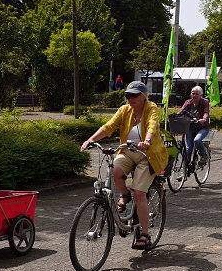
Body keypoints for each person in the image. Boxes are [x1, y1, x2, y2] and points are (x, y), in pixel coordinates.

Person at [80, 81, 167, 250]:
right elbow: (108, 127)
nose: (130, 98)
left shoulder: (151, 108)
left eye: (134, 95)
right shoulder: (124, 110)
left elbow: (153, 125)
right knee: (115, 170)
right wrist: (90, 140)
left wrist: (147, 140)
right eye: (128, 95)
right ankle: (124, 195)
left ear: (143, 96)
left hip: (147, 154)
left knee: (140, 193)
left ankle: (145, 233)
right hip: (127, 151)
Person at [178, 86, 211, 167]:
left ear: (201, 95)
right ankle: (186, 169)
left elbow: (206, 112)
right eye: (193, 94)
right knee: (188, 149)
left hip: (202, 127)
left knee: (197, 140)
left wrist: (204, 119)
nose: (194, 96)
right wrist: (175, 117)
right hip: (190, 127)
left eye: (197, 94)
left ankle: (204, 155)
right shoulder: (188, 102)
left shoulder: (205, 102)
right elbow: (181, 111)